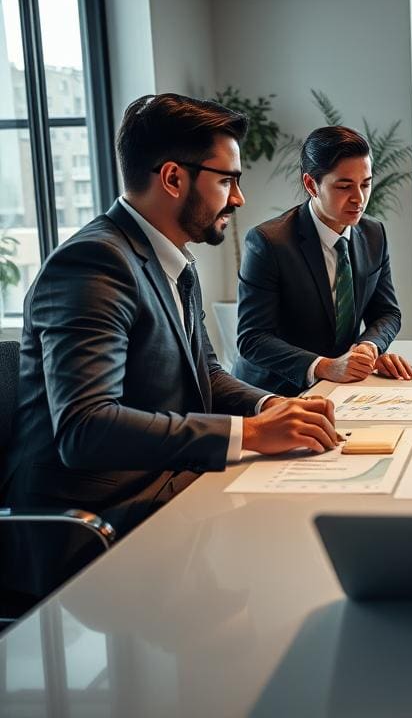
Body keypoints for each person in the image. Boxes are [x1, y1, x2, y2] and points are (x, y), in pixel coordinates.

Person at [0, 93, 341, 565]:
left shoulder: (175, 260)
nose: (239, 198)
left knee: (308, 523)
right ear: (174, 177)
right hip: (90, 527)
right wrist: (250, 433)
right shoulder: (92, 264)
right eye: (227, 181)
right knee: (288, 554)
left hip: (163, 487)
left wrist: (272, 405)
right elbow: (86, 428)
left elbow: (206, 374)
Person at [235, 125, 412, 396]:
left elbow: (387, 312)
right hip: (275, 393)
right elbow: (252, 339)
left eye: (365, 184)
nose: (359, 198)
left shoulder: (373, 233)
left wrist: (369, 347)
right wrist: (323, 366)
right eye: (344, 186)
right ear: (311, 185)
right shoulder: (268, 242)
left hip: (341, 389)